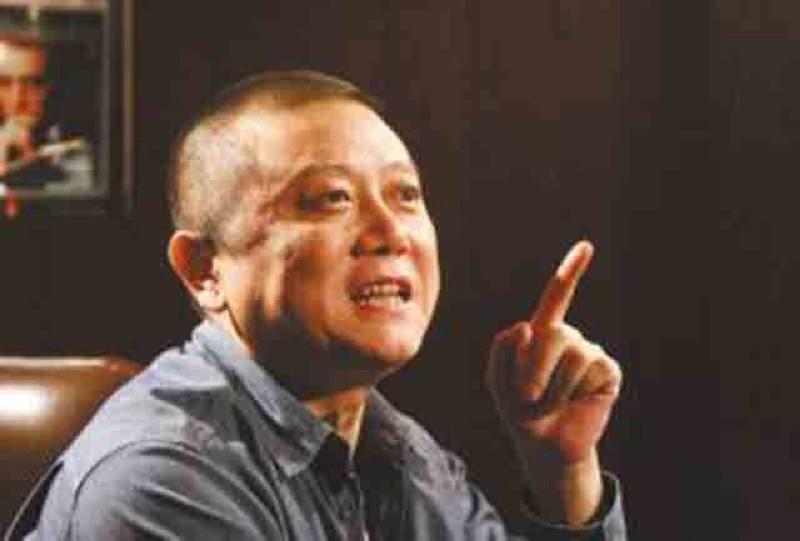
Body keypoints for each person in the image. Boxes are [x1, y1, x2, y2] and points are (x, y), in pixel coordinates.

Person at [8, 71, 626, 540]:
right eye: (331, 198)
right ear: (204, 269)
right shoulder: (160, 482)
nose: (391, 232)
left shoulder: (393, 446)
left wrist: (561, 471)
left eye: (406, 194)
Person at [0, 34, 92, 193]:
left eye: (33, 84)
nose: (17, 100)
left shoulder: (82, 154)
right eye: (4, 83)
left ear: (53, 86)